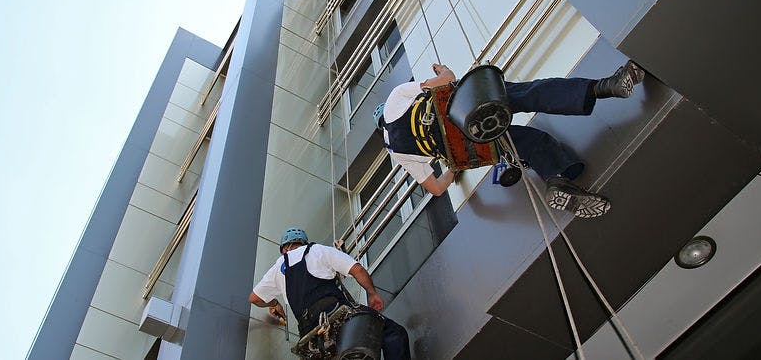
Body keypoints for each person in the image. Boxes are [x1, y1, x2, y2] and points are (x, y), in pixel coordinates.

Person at [374, 61, 646, 218]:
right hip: (466, 108)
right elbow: (447, 80)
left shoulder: (397, 153)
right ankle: (605, 87)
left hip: (472, 143)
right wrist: (442, 70)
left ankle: (557, 181)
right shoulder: (395, 99)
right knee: (531, 94)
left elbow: (435, 188)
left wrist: (454, 169)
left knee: (528, 143)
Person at [250, 227, 411, 359]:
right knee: (393, 333)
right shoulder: (318, 250)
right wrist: (372, 293)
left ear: (285, 248)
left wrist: (274, 303)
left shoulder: (278, 267)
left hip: (310, 336)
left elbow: (254, 298)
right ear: (303, 242)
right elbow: (357, 270)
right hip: (335, 314)